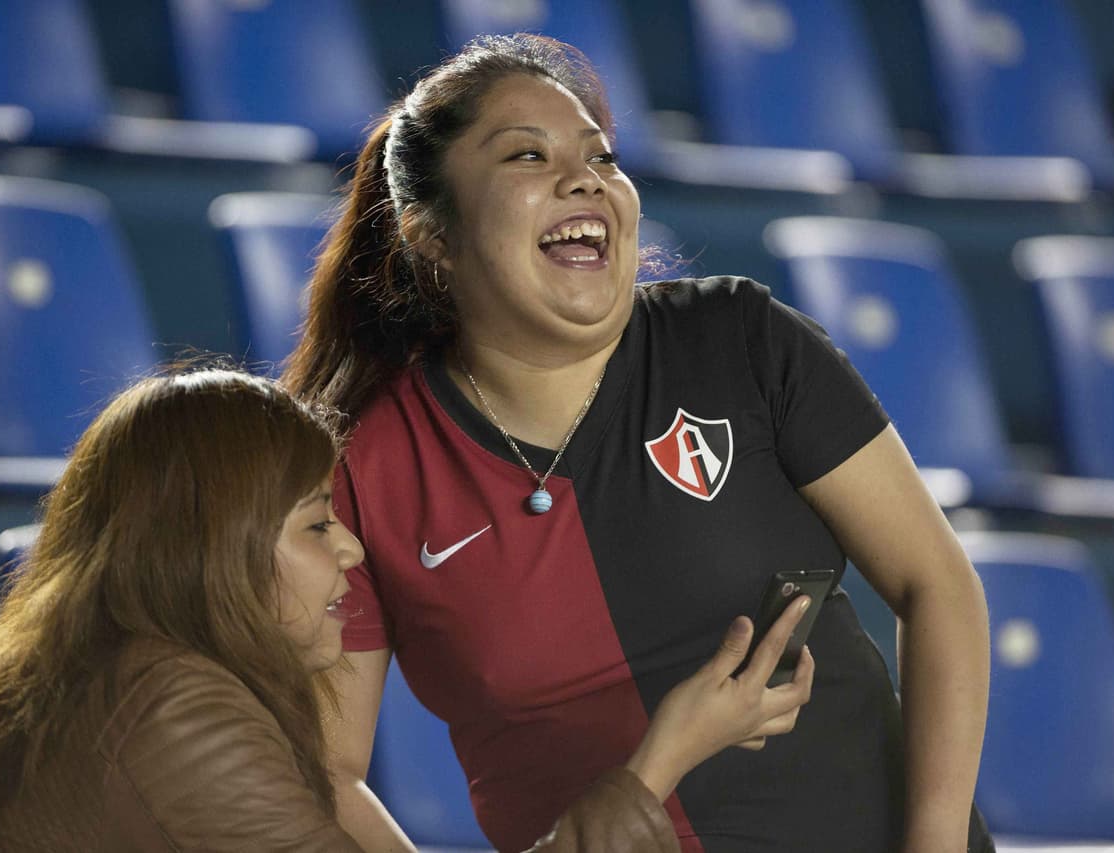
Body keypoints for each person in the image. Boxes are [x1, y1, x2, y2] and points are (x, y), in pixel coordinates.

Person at [283, 32, 994, 853]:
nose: (585, 177)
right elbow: (322, 773)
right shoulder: (366, 465)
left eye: (603, 157)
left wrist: (936, 843)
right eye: (526, 156)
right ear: (431, 236)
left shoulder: (741, 337)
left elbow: (937, 582)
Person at [0, 367, 815, 853]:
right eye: (316, 523)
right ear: (215, 546)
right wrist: (661, 760)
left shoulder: (121, 673)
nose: (353, 550)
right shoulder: (173, 705)